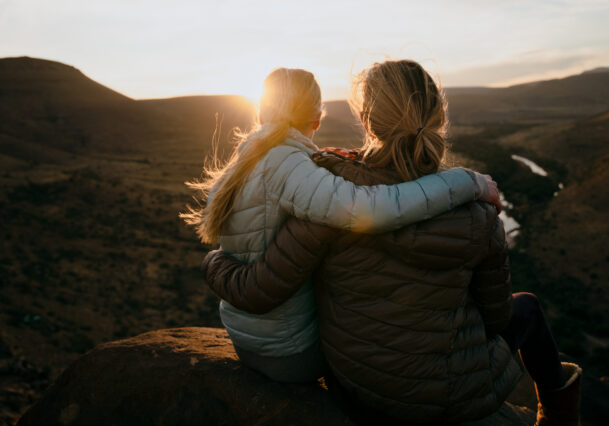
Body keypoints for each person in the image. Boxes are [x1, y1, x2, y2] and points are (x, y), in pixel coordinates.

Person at [202, 61, 582, 425]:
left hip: (359, 390)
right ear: (438, 120)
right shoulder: (479, 215)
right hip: (455, 395)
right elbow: (496, 318)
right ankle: (559, 416)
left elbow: (268, 284)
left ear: (366, 121)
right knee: (526, 308)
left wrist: (215, 262)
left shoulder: (324, 204)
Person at [182, 66, 501, 384]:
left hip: (248, 340)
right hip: (290, 354)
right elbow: (371, 209)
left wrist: (213, 263)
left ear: (260, 113)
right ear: (317, 120)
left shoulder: (246, 159)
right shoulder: (287, 165)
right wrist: (465, 182)